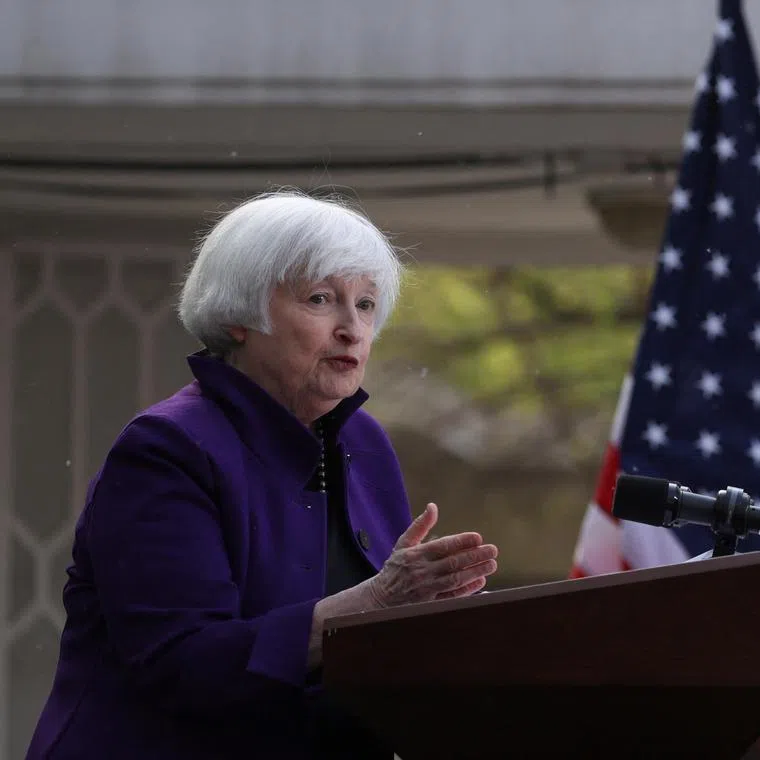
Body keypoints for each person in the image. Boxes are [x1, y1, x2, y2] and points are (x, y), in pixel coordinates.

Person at [26, 189, 499, 759]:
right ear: (239, 316)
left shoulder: (365, 443)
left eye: (367, 304)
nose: (353, 328)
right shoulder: (167, 449)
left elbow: (379, 642)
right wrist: (375, 603)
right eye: (322, 299)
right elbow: (184, 665)